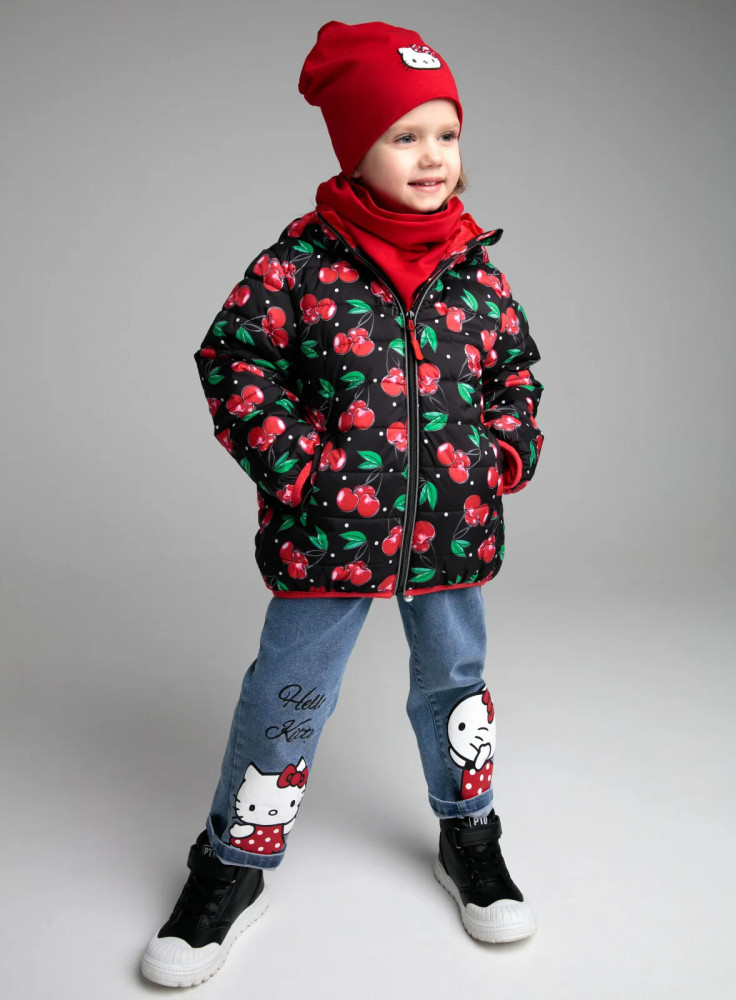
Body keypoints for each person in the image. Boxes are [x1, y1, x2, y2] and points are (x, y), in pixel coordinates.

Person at [141, 20, 544, 988]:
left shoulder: (475, 270)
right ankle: (234, 862)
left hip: (450, 534)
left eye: (446, 134)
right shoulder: (300, 265)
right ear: (356, 149)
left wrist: (499, 454)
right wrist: (300, 470)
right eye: (404, 136)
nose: (432, 156)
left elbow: (515, 373)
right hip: (329, 533)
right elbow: (234, 359)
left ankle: (469, 833)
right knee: (289, 694)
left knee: (456, 685)